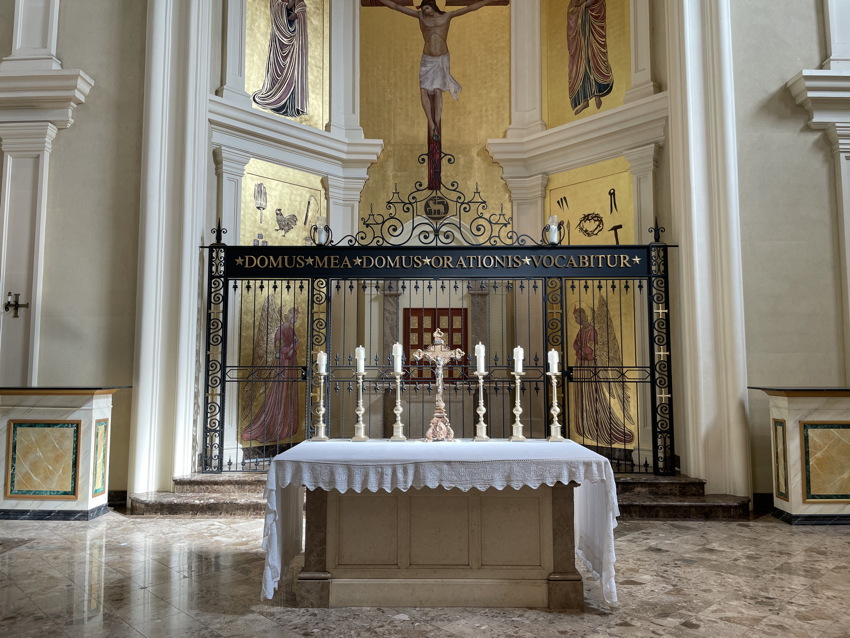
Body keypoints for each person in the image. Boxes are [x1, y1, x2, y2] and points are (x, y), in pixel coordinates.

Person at [376, 0, 496, 139]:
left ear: (433, 6)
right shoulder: (421, 16)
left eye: (427, 8)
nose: (425, 11)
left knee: (438, 90)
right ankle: (431, 122)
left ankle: (437, 122)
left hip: (441, 58)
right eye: (423, 9)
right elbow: (396, 6)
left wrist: (489, 0)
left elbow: (470, 8)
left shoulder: (447, 16)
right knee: (423, 90)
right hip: (427, 59)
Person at [242, 306, 301, 443]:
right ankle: (275, 425)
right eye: (295, 317)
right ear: (290, 316)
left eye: (297, 318)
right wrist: (291, 349)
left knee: (289, 392)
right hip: (282, 364)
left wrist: (293, 348)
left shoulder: (291, 330)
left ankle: (285, 425)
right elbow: (278, 349)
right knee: (281, 390)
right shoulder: (280, 330)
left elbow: (296, 343)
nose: (296, 320)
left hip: (291, 363)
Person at [253, 0, 309, 117]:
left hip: (293, 42)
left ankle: (291, 103)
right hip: (279, 41)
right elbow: (276, 6)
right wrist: (287, 7)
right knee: (277, 68)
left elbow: (301, 6)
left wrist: (298, 13)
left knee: (293, 70)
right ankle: (274, 97)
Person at [567, 0, 613, 115]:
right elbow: (572, 7)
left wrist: (583, 5)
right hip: (580, 34)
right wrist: (581, 6)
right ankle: (585, 100)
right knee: (581, 64)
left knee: (593, 59)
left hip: (592, 29)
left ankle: (597, 93)